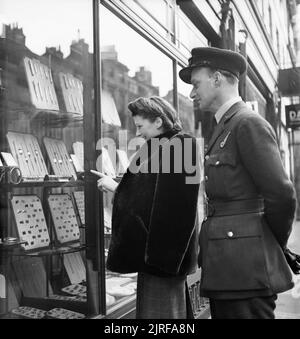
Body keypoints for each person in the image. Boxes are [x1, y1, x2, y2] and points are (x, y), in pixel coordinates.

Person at [179, 47, 297, 319]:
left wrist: (265, 241)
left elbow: (282, 195)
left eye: (196, 84)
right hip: (229, 267)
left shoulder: (247, 124)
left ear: (217, 78)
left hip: (246, 268)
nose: (192, 93)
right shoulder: (225, 125)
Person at [93, 96, 200, 319]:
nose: (138, 132)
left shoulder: (180, 145)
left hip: (162, 260)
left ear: (158, 121)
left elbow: (175, 207)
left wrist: (116, 188)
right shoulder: (165, 146)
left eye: (141, 126)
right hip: (157, 258)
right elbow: (153, 191)